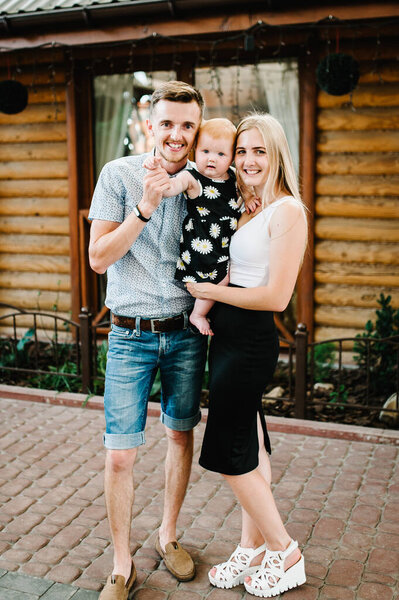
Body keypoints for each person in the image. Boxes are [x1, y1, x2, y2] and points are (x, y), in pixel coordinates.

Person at [88, 81, 208, 600]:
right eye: (168, 123)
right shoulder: (118, 175)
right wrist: (146, 204)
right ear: (148, 125)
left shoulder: (207, 182)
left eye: (188, 125)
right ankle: (122, 563)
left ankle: (168, 535)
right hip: (130, 336)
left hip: (185, 334)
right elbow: (98, 258)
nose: (177, 135)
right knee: (120, 455)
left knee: (180, 436)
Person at [186, 113, 308, 598]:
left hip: (253, 337)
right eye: (242, 151)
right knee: (252, 448)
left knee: (229, 452)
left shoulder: (288, 211)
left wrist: (211, 289)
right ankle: (249, 548)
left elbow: (276, 297)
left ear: (276, 154)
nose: (248, 160)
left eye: (259, 151)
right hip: (229, 336)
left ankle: (284, 550)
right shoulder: (249, 207)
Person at [144, 117, 258, 336]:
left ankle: (201, 312)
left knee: (223, 280)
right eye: (205, 151)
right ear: (195, 150)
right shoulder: (192, 177)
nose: (211, 159)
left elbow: (245, 192)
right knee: (212, 282)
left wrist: (250, 198)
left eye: (220, 154)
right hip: (200, 245)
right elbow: (169, 188)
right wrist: (156, 172)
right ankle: (198, 313)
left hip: (223, 246)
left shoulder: (234, 177)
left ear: (232, 157)